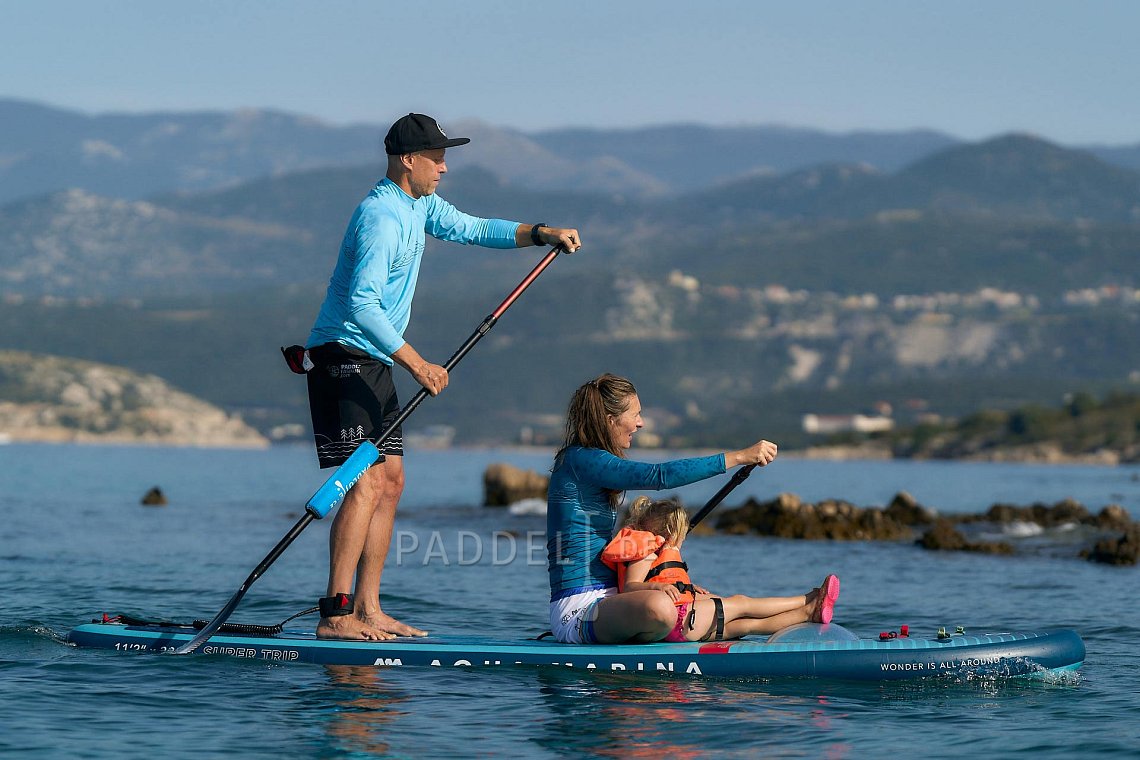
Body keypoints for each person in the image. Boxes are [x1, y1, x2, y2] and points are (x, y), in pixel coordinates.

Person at [306, 113, 582, 641]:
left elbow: (473, 228)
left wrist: (541, 232)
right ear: (408, 160)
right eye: (437, 159)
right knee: (364, 483)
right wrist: (419, 364)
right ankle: (334, 614)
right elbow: (362, 306)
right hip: (341, 354)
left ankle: (368, 608)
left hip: (375, 360)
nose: (445, 168)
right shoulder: (380, 217)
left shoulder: (420, 205)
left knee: (391, 482)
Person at [546, 373, 787, 645]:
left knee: (716, 604)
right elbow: (659, 476)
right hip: (579, 610)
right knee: (661, 608)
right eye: (635, 415)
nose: (641, 423)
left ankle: (807, 610)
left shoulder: (587, 460)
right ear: (610, 420)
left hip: (618, 599)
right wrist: (740, 456)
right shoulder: (580, 461)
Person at [601, 496, 839, 642]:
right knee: (742, 603)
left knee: (748, 624)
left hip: (681, 623)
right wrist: (659, 586)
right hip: (681, 619)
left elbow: (664, 579)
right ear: (671, 532)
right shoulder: (646, 548)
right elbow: (630, 588)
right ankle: (808, 598)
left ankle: (807, 614)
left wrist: (686, 588)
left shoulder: (655, 549)